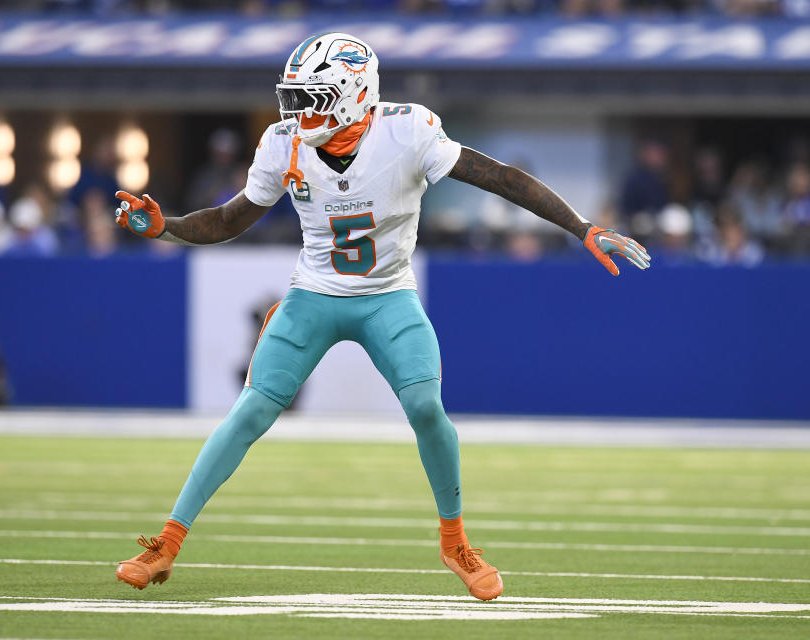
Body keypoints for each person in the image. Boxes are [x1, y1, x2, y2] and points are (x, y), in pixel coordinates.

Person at [112, 33, 650, 601]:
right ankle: (167, 545)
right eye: (292, 98)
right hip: (313, 293)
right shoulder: (282, 143)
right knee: (250, 411)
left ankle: (455, 541)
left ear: (352, 95)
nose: (295, 112)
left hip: (387, 294)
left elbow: (499, 177)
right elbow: (228, 220)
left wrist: (581, 226)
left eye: (309, 98)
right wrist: (166, 225)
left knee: (425, 405)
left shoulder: (406, 132)